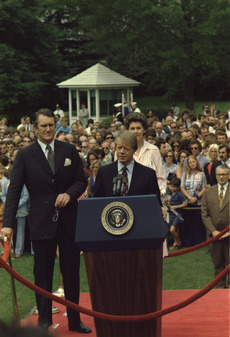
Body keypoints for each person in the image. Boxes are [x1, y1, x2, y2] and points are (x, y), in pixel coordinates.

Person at [1, 108, 91, 333]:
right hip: (41, 223)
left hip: (69, 221)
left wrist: (69, 194)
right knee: (42, 274)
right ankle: (43, 322)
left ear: (56, 125)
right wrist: (8, 223)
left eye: (51, 124)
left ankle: (74, 319)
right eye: (44, 126)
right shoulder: (25, 155)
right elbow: (14, 191)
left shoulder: (69, 150)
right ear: (35, 128)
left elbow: (82, 180)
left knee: (71, 272)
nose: (49, 129)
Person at [123, 113, 167, 194]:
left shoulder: (153, 150)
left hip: (149, 197)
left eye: (138, 128)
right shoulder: (122, 151)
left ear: (144, 130)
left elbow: (160, 177)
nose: (135, 131)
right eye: (132, 128)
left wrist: (159, 193)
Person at [201, 164, 229, 288]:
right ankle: (220, 291)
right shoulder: (208, 192)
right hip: (214, 237)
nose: (221, 177)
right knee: (218, 266)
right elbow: (205, 215)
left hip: (229, 235)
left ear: (228, 175)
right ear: (216, 176)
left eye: (224, 174)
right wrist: (213, 231)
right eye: (219, 174)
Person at [180, 155, 207, 246]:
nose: (192, 164)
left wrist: (196, 198)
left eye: (193, 161)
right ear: (188, 164)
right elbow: (182, 187)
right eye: (190, 162)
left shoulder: (202, 174)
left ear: (196, 162)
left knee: (198, 222)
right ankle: (188, 242)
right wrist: (189, 198)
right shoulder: (185, 174)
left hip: (198, 202)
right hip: (188, 202)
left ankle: (199, 241)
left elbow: (204, 188)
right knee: (187, 222)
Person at [165, 177, 187, 250]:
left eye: (174, 187)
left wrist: (176, 206)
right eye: (171, 186)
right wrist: (166, 203)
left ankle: (178, 242)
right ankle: (176, 245)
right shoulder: (169, 194)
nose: (171, 188)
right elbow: (168, 204)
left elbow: (185, 204)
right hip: (171, 215)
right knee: (175, 230)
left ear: (177, 187)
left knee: (172, 230)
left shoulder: (179, 194)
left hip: (177, 215)